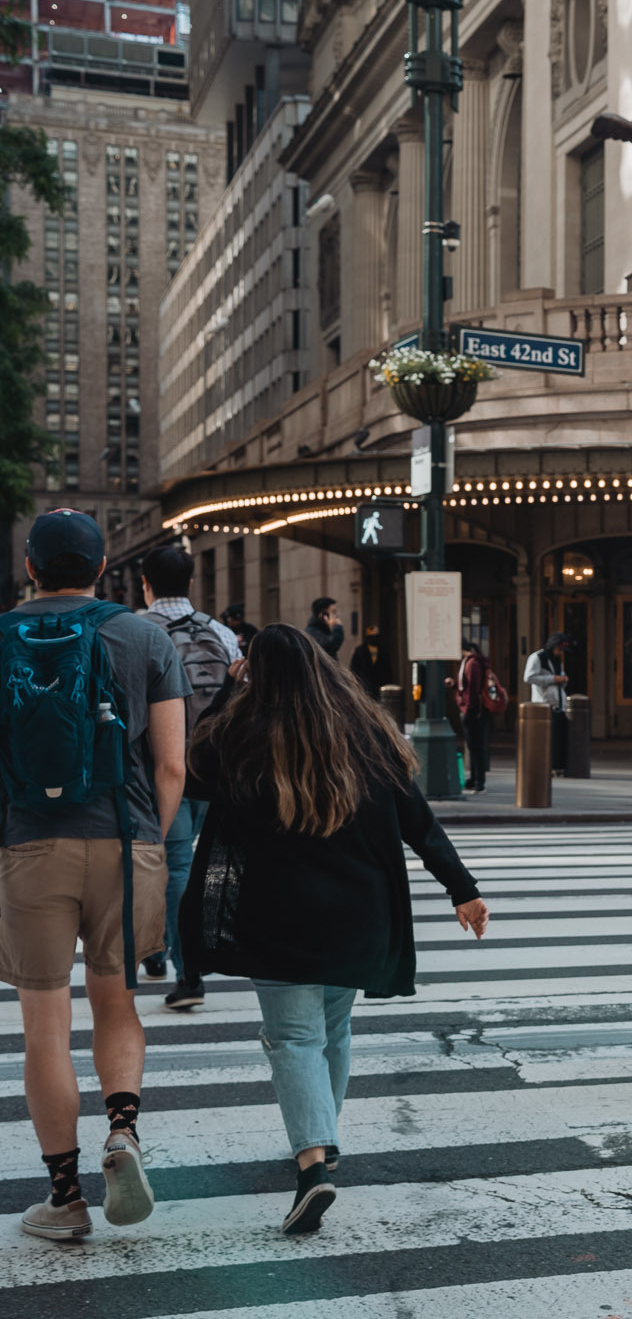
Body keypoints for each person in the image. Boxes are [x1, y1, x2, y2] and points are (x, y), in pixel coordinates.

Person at [180, 623, 490, 1235]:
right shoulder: (367, 732)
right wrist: (464, 889)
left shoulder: (243, 733)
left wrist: (226, 694)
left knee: (292, 1039)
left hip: (275, 917)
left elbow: (194, 764)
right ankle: (323, 1139)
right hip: (357, 912)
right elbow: (418, 822)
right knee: (331, 1029)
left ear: (257, 675)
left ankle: (312, 1165)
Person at [0, 510, 190, 1241]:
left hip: (27, 847)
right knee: (116, 1002)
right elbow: (172, 761)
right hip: (123, 840)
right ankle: (123, 1132)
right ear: (105, 563)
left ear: (30, 567)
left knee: (44, 1024)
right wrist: (150, 834)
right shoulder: (144, 636)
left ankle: (63, 1197)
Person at [137, 545, 241, 1012]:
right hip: (216, 768)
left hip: (162, 769)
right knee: (200, 868)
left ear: (145, 582)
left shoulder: (133, 632)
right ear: (192, 584)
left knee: (170, 868)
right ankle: (171, 956)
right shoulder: (220, 632)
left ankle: (183, 970)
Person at [524, 632, 573, 775]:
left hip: (559, 701)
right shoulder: (537, 657)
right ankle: (546, 765)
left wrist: (562, 680)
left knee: (558, 737)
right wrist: (553, 679)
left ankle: (558, 765)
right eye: (559, 649)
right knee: (546, 738)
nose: (560, 653)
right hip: (543, 702)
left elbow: (560, 676)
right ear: (553, 646)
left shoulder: (557, 660)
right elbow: (528, 677)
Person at [456, 639, 497, 794]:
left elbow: (473, 689)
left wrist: (467, 709)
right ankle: (474, 778)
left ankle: (479, 781)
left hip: (475, 711)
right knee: (473, 747)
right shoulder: (472, 661)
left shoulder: (472, 663)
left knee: (476, 747)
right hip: (476, 710)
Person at [349, 625, 390, 691]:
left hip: (380, 685)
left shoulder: (383, 650)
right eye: (371, 637)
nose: (373, 639)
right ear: (367, 638)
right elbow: (354, 668)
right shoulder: (360, 650)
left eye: (375, 637)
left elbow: (387, 669)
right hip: (364, 685)